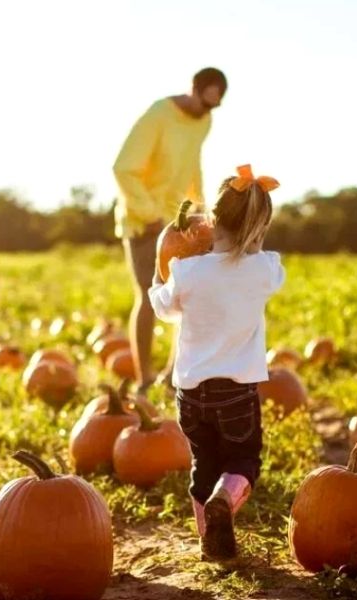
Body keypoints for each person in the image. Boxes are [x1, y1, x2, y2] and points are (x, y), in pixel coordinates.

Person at [147, 164, 284, 560]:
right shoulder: (265, 269)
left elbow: (163, 307)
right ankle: (225, 498)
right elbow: (267, 272)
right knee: (242, 459)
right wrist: (253, 245)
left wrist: (160, 279)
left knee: (202, 464)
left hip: (190, 392)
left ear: (211, 220)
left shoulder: (186, 271)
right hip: (237, 391)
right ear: (258, 229)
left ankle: (210, 543)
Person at [112, 67, 227, 397]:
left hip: (180, 222)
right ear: (194, 88)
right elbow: (123, 168)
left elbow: (193, 165)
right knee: (149, 297)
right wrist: (149, 214)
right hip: (143, 221)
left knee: (189, 297)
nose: (205, 110)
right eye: (203, 101)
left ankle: (173, 375)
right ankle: (144, 379)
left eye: (213, 106)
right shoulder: (159, 114)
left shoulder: (204, 121)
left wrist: (202, 209)